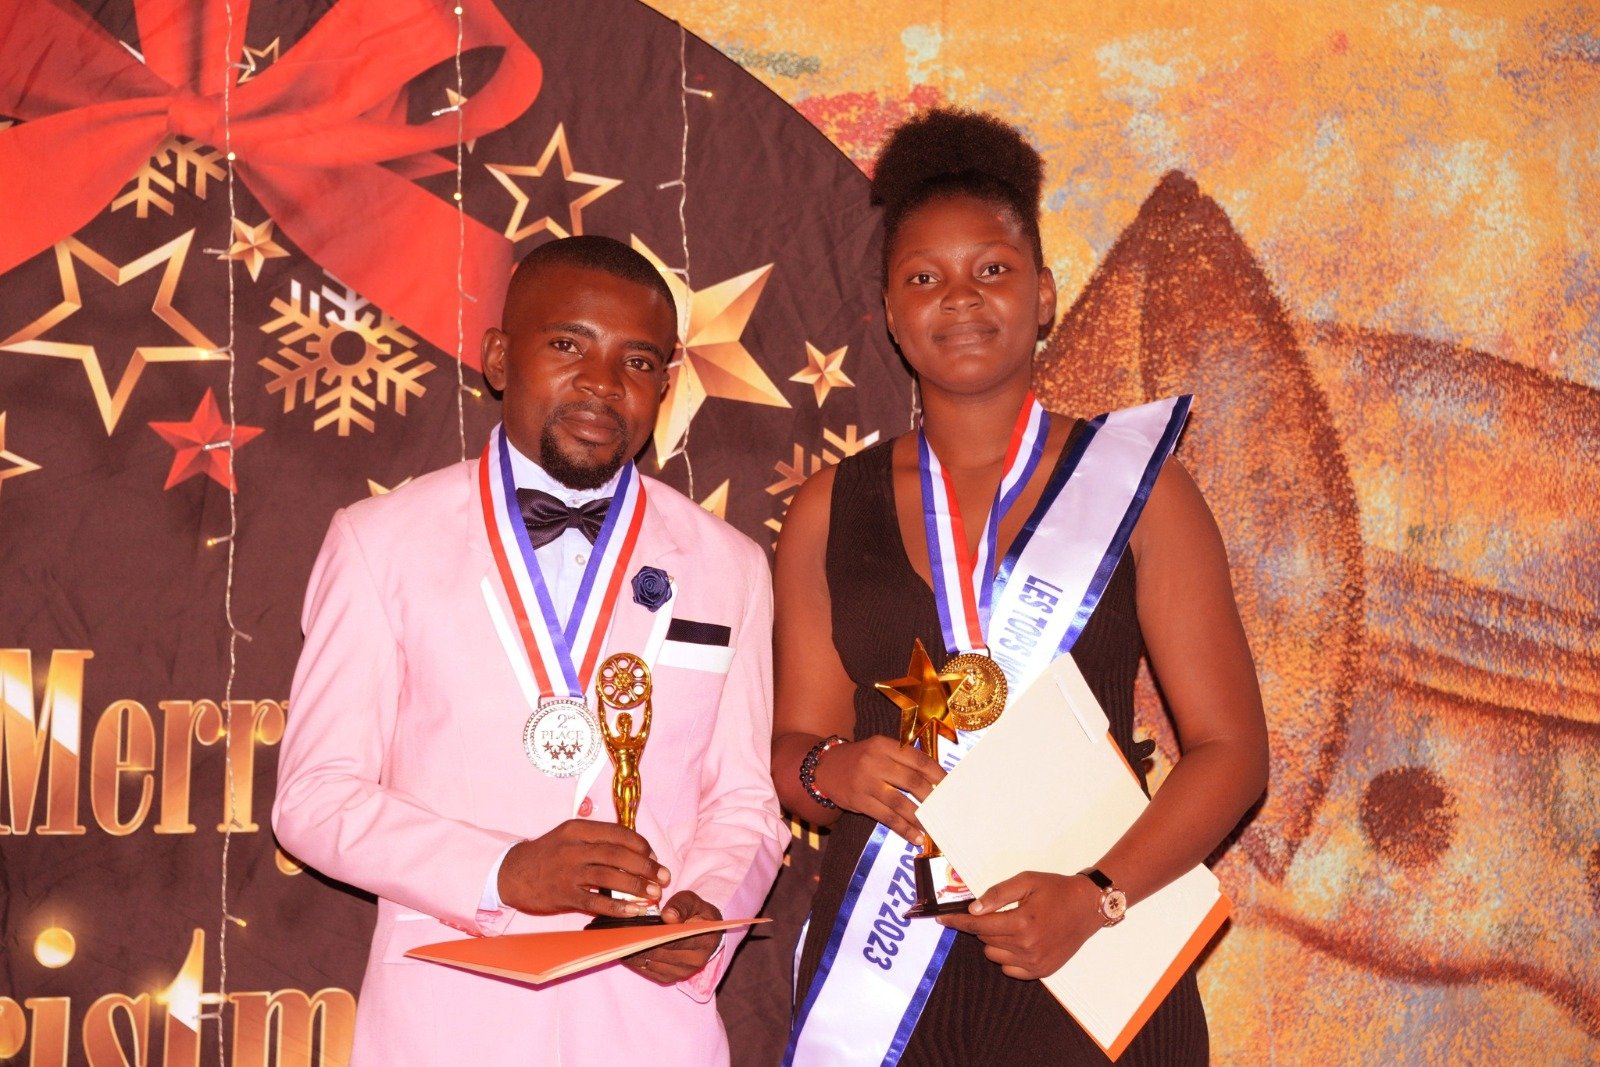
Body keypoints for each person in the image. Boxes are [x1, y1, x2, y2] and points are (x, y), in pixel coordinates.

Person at [772, 109, 1269, 1064]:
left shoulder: (1142, 491)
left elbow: (1233, 751)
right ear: (889, 312)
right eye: (924, 277)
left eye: (992, 269)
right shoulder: (828, 508)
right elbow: (796, 748)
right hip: (886, 966)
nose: (959, 298)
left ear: (1042, 296)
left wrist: (1097, 895)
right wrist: (833, 769)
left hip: (1093, 953)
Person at [273, 235, 786, 1065]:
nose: (602, 381)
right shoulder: (381, 542)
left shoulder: (731, 564)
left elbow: (744, 800)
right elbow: (314, 797)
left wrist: (705, 911)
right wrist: (502, 872)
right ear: (498, 359)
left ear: (665, 384)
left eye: (638, 361)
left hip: (653, 1028)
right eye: (568, 344)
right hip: (444, 1025)